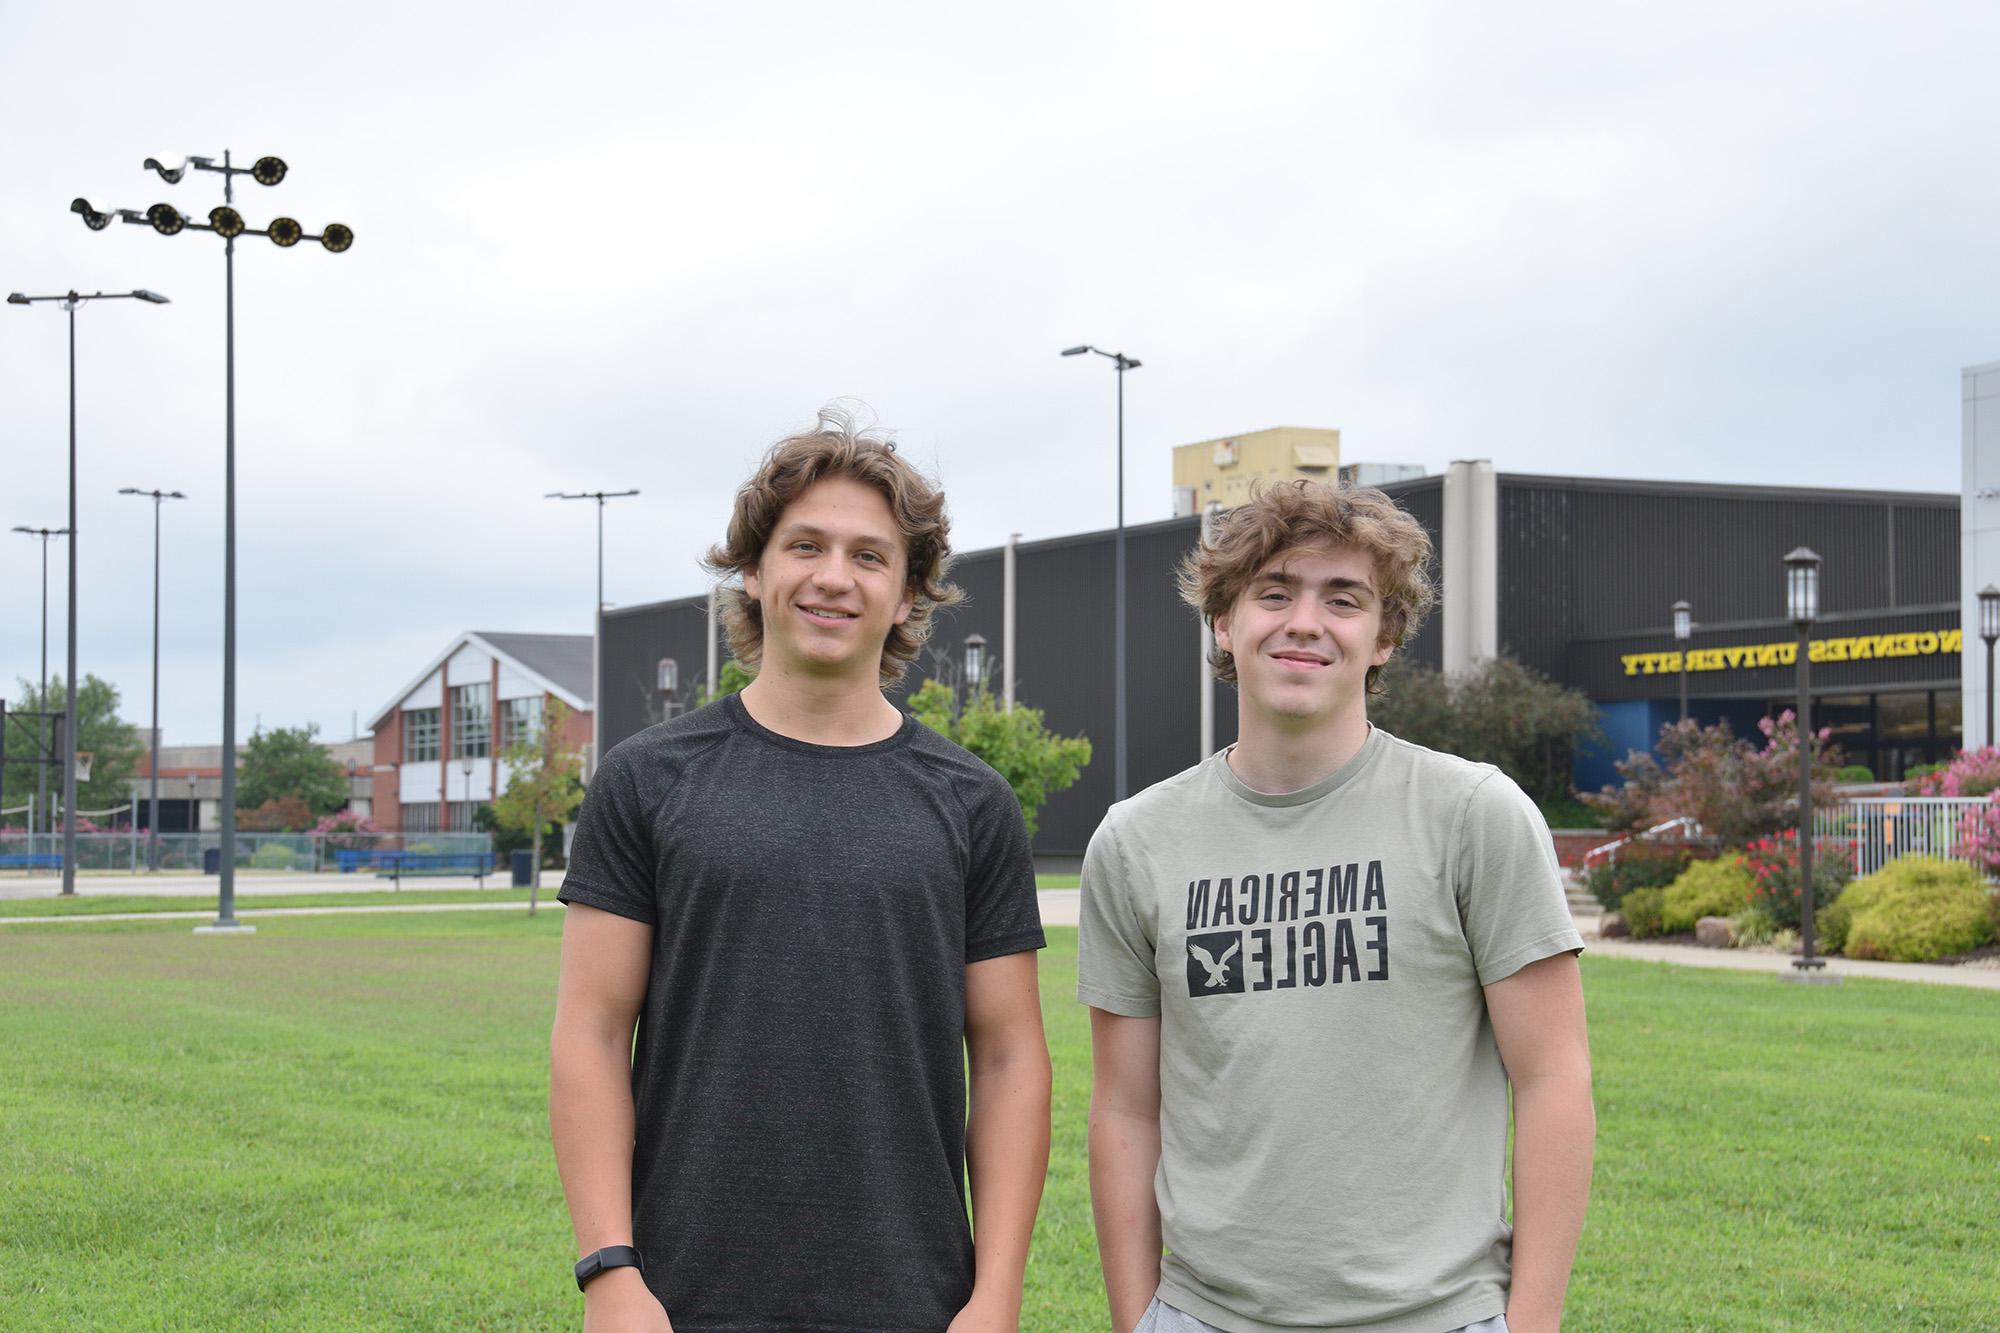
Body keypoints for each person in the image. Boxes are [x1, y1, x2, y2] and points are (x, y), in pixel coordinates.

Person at [551, 406, 1051, 1333]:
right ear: (754, 569)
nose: (833, 577)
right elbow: (589, 1031)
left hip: (918, 1300)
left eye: (869, 556)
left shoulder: (973, 800)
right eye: (805, 545)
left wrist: (998, 1295)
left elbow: (1013, 1054)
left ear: (908, 594)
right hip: (681, 1296)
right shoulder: (646, 779)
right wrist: (610, 1272)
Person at [1079, 480, 1594, 1333]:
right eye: (1273, 592)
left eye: (1343, 598)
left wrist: (1530, 1324)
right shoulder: (1135, 842)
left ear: (1384, 635)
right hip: (1206, 1316)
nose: (1304, 621)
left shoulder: (1473, 815)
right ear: (1223, 621)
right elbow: (1125, 1107)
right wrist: (1138, 1320)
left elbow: (1553, 1080)